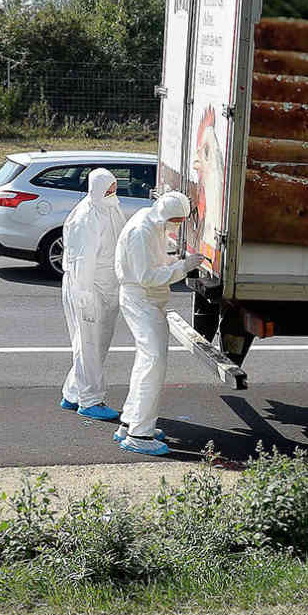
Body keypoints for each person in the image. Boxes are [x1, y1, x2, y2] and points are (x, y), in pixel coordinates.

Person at [113, 190, 198, 456]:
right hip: (143, 301)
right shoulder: (142, 231)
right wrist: (182, 267)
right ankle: (139, 434)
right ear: (165, 215)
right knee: (153, 364)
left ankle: (130, 422)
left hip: (147, 300)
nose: (178, 226)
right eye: (176, 221)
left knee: (146, 363)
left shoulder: (151, 222)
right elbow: (147, 276)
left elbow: (156, 261)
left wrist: (176, 262)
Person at [59, 168, 125, 421]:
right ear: (96, 188)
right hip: (88, 288)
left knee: (94, 344)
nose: (112, 191)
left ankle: (73, 393)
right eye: (108, 188)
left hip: (106, 286)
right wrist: (84, 296)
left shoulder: (110, 208)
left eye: (114, 186)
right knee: (89, 346)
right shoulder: (86, 216)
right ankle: (90, 400)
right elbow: (81, 261)